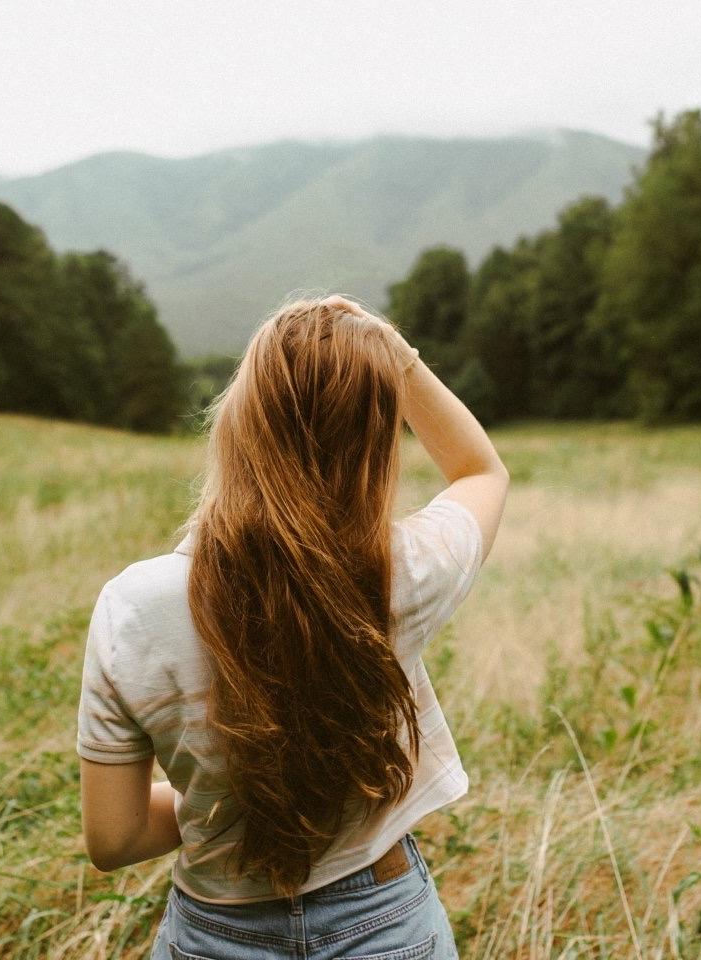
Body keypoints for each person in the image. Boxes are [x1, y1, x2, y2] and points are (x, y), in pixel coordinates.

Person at [76, 294, 510, 959]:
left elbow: (116, 840)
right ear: (373, 446)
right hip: (385, 925)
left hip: (212, 936)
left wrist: (213, 798)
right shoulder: (402, 573)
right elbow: (480, 469)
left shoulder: (133, 607)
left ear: (238, 423)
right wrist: (397, 358)